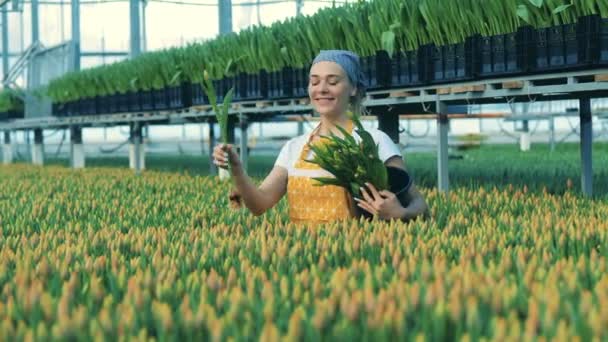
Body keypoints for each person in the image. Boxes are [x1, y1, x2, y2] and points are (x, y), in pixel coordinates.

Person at [213, 50, 428, 225]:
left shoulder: (375, 141)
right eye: (314, 82)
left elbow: (418, 203)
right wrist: (236, 168)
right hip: (304, 258)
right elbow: (259, 204)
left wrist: (401, 213)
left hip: (353, 258)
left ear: (353, 88)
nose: (321, 89)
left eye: (332, 82)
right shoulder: (294, 147)